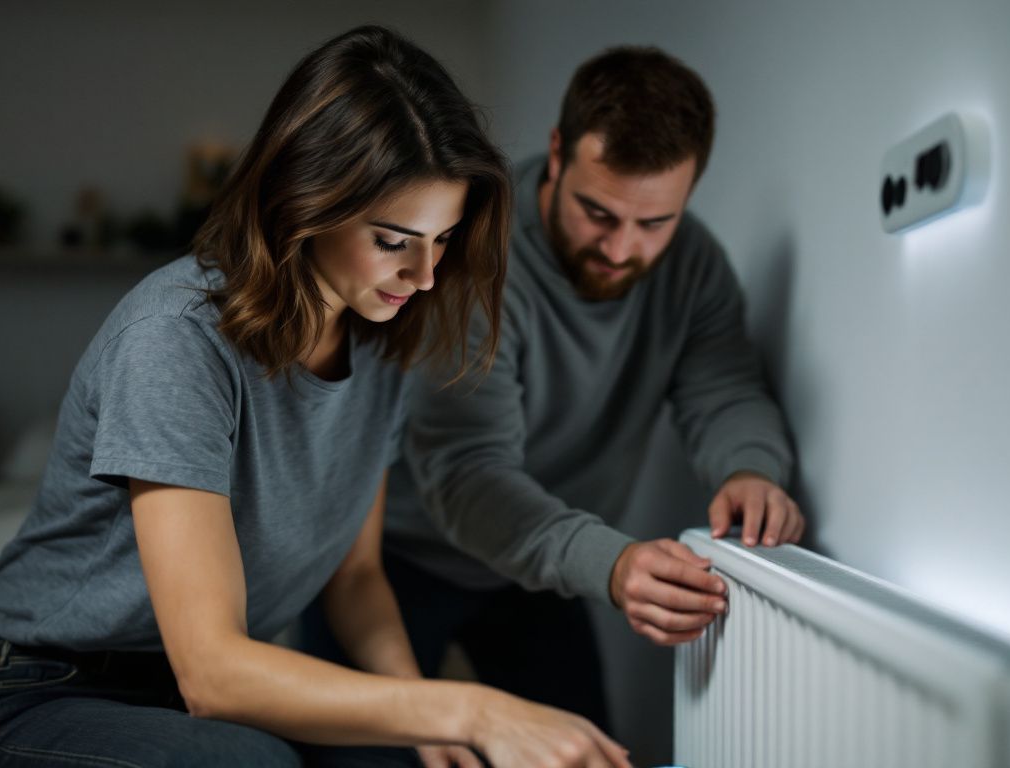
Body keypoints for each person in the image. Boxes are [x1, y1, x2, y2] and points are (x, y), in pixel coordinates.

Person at [0, 26, 632, 768]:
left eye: (442, 241)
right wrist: (468, 705)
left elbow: (357, 576)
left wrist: (427, 724)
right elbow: (212, 673)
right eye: (394, 239)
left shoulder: (378, 340)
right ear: (306, 198)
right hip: (52, 693)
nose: (426, 275)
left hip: (213, 695)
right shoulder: (175, 341)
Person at [307, 45, 806, 731]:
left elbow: (723, 387)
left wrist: (751, 469)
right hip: (393, 560)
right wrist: (612, 562)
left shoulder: (694, 265)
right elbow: (468, 474)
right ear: (558, 151)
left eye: (654, 223)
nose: (622, 248)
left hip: (539, 563)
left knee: (585, 748)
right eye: (598, 213)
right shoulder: (474, 252)